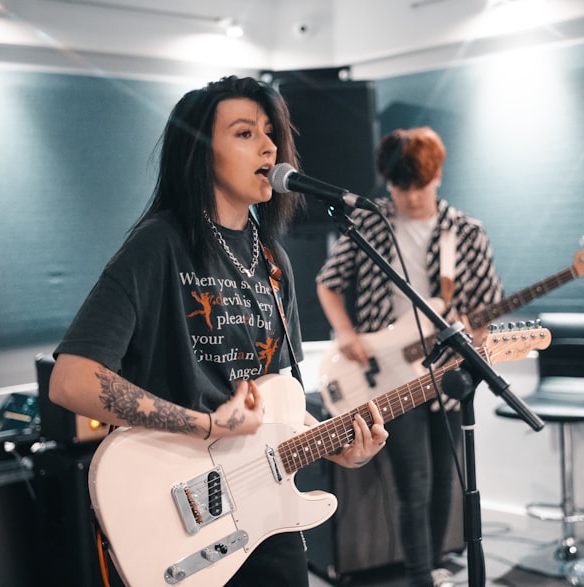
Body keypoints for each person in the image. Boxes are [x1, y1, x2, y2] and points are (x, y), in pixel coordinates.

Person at [48, 75, 388, 587]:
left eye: (271, 132)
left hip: (266, 523)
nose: (270, 145)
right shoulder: (159, 245)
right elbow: (71, 381)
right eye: (245, 132)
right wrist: (205, 426)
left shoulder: (274, 263)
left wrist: (337, 442)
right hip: (179, 516)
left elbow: (281, 401)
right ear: (200, 151)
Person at [315, 126, 503, 587]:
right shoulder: (371, 222)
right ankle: (420, 578)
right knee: (412, 484)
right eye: (401, 187)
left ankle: (435, 567)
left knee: (446, 480)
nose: (411, 196)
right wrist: (345, 332)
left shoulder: (466, 232)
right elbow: (328, 280)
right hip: (389, 374)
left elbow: (485, 306)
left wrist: (478, 339)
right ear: (388, 183)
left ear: (437, 175)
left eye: (419, 185)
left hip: (445, 372)